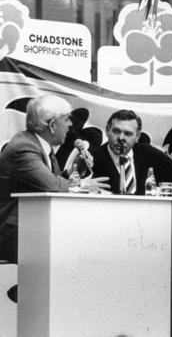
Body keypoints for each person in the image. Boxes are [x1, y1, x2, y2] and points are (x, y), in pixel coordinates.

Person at [0, 95, 109, 264]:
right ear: (52, 125)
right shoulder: (24, 148)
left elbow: (49, 180)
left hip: (29, 227)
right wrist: (85, 185)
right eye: (66, 120)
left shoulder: (38, 145)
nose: (70, 125)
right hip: (14, 231)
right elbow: (51, 186)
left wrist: (76, 169)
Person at [92, 110, 172, 197]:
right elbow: (76, 185)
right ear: (107, 130)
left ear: (138, 136)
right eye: (116, 131)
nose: (121, 138)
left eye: (128, 134)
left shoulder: (148, 154)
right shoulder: (93, 159)